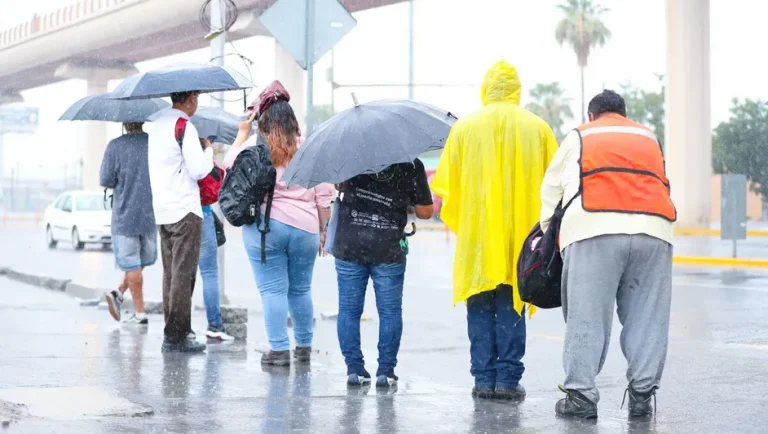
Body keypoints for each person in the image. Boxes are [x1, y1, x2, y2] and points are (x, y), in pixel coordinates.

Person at [540, 90, 675, 419]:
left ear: (592, 115)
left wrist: (549, 232)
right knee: (648, 318)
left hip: (592, 227)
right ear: (624, 114)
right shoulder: (648, 137)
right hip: (653, 231)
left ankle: (582, 397)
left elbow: (552, 187)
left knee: (587, 316)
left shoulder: (580, 135)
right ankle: (642, 396)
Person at [431, 60, 558, 400]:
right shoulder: (538, 128)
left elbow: (447, 186)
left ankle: (483, 379)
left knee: (480, 306)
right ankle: (507, 380)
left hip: (478, 238)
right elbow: (555, 184)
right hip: (520, 237)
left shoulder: (464, 129)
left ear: (486, 88)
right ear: (517, 88)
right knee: (512, 303)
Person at [224, 81, 334, 366]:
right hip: (306, 229)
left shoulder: (257, 146)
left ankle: (279, 351)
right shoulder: (310, 148)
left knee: (273, 290)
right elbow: (324, 195)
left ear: (264, 121)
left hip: (266, 228)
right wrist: (322, 231)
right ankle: (304, 349)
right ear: (293, 120)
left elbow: (229, 164)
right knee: (300, 290)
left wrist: (241, 134)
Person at [331, 160, 433, 389]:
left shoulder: (353, 155)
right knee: (389, 312)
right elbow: (425, 212)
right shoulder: (410, 163)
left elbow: (338, 186)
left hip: (350, 243)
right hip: (388, 247)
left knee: (348, 309)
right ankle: (385, 372)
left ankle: (354, 369)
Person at [146, 91, 214, 353]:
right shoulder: (184, 125)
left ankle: (174, 329)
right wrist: (207, 151)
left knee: (171, 274)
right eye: (196, 98)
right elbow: (198, 169)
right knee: (184, 275)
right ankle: (176, 336)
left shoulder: (157, 125)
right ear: (191, 100)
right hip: (185, 209)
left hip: (163, 209)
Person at [100, 122, 156, 325]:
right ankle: (119, 292)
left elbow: (106, 179)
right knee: (140, 262)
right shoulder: (155, 143)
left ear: (124, 123)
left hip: (125, 215)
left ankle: (140, 314)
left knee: (132, 263)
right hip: (150, 213)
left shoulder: (115, 146)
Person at [196, 150, 234, 341]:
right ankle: (215, 324)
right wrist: (209, 150)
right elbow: (217, 181)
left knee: (179, 273)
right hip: (201, 214)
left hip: (174, 215)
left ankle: (177, 328)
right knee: (209, 273)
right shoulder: (201, 159)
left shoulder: (171, 151)